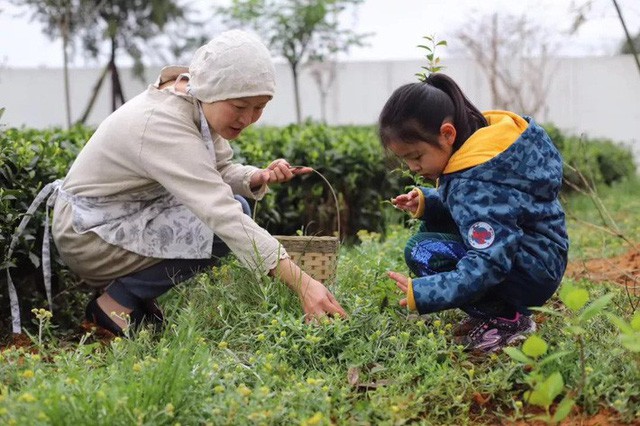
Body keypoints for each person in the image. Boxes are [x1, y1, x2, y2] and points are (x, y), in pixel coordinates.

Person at [45, 29, 346, 336]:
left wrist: (255, 176)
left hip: (120, 218)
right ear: (211, 91)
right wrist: (304, 284)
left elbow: (220, 168)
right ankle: (117, 302)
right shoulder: (163, 123)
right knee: (225, 221)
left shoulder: (194, 104)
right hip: (88, 236)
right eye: (240, 107)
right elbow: (220, 212)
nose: (247, 118)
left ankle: (134, 296)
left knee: (236, 207)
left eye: (259, 107)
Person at [378, 73, 568, 353]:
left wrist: (425, 292)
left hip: (531, 273)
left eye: (416, 157)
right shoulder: (487, 150)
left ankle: (508, 319)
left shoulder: (473, 180)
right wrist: (429, 202)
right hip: (539, 257)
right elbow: (490, 208)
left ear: (447, 134)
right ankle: (501, 311)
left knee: (423, 250)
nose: (412, 168)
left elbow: (489, 262)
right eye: (404, 160)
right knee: (431, 226)